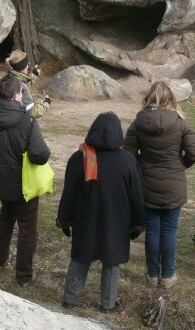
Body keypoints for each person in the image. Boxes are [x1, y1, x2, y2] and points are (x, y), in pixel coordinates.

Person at [57, 112, 145, 313]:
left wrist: (64, 220)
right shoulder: (128, 161)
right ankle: (108, 304)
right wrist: (137, 224)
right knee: (111, 262)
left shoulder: (79, 158)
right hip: (116, 223)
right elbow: (137, 197)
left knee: (80, 259)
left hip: (84, 221)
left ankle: (69, 300)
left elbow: (68, 194)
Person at [0, 74, 51, 286]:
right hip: (23, 185)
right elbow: (41, 154)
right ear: (17, 95)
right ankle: (24, 275)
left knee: (6, 219)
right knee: (28, 230)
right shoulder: (27, 122)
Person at [124, 81, 195, 289]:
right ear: (171, 99)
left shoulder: (139, 122)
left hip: (146, 183)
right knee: (169, 231)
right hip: (173, 185)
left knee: (153, 231)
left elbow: (128, 153)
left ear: (149, 97)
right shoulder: (180, 123)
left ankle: (151, 275)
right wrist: (180, 165)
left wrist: (142, 166)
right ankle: (167, 276)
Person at [5, 49, 50, 118]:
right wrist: (46, 103)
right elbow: (32, 112)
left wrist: (34, 74)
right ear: (22, 67)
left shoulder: (9, 77)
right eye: (26, 65)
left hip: (10, 116)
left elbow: (24, 82)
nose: (28, 67)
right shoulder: (21, 85)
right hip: (22, 122)